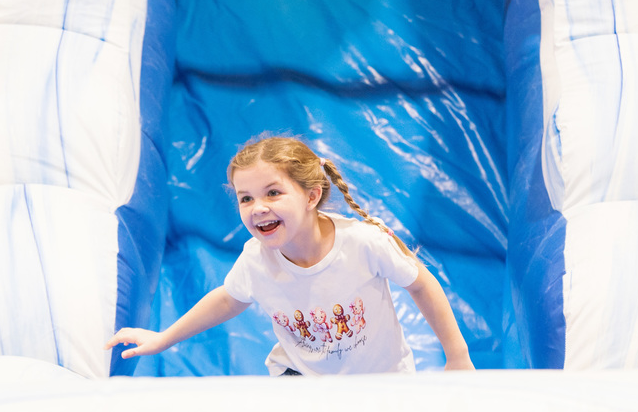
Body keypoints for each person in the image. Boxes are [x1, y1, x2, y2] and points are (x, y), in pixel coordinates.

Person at [105, 136, 474, 375]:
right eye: (245, 198)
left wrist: (457, 355)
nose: (257, 207)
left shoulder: (363, 243)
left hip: (381, 378)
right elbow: (228, 300)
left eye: (273, 193)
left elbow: (421, 283)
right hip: (300, 379)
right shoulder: (256, 259)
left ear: (311, 196)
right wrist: (163, 338)